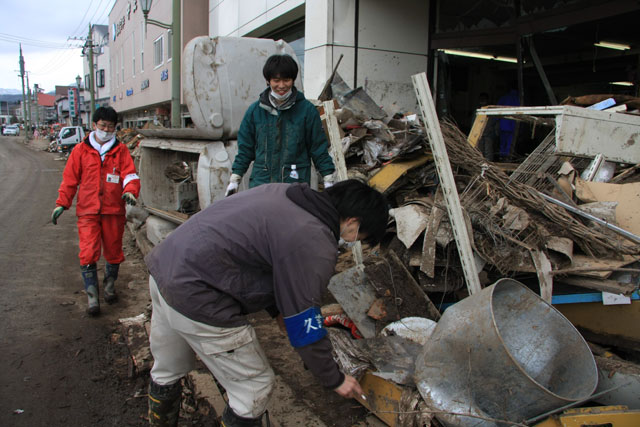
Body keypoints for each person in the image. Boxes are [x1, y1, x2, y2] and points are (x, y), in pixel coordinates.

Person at [144, 180, 388, 426]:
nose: (353, 240)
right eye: (359, 237)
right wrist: (334, 378)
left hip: (165, 267)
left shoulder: (283, 193)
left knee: (168, 368)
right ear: (353, 223)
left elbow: (258, 256)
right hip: (198, 293)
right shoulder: (315, 242)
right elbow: (305, 324)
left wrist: (277, 311)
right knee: (254, 388)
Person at [51, 106, 140, 316]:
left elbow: (130, 175)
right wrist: (61, 203)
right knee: (88, 252)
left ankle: (109, 288)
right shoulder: (80, 150)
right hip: (88, 211)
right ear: (94, 125)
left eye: (110, 127)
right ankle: (92, 297)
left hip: (113, 211)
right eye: (103, 126)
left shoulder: (121, 151)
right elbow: (70, 180)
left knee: (113, 252)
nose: (106, 130)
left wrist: (131, 191)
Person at [225, 54, 336, 196]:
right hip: (262, 185)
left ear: (293, 80)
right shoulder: (255, 112)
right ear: (268, 81)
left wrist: (328, 180)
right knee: (261, 218)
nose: (282, 86)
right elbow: (245, 150)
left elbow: (318, 148)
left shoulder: (307, 111)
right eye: (276, 80)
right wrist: (235, 179)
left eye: (286, 80)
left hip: (295, 185)